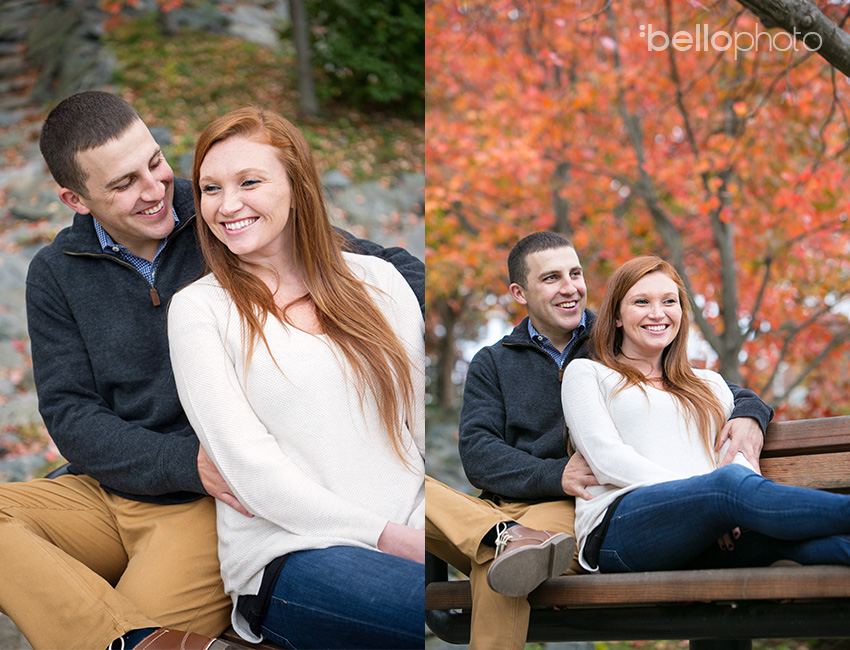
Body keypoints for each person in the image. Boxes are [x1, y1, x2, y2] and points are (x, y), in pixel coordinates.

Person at [5, 91, 423, 650]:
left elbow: (363, 265)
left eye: (154, 162)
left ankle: (123, 637)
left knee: (140, 616)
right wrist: (185, 461)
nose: (155, 192)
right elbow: (69, 413)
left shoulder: (223, 215)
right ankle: (124, 640)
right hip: (120, 488)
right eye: (123, 183)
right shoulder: (57, 272)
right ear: (75, 199)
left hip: (208, 506)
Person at [425, 232, 774, 650]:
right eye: (551, 278)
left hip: (566, 512)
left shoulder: (613, 337)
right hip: (503, 505)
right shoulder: (494, 362)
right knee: (409, 486)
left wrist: (752, 413)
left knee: (501, 567)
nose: (570, 287)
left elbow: (703, 384)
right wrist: (555, 472)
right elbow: (479, 454)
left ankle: (504, 540)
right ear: (519, 292)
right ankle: (502, 533)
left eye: (575, 273)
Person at [166, 107, 424, 650]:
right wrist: (388, 537)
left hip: (412, 533)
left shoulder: (380, 282)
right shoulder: (199, 311)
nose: (226, 205)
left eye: (249, 182)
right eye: (210, 188)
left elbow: (415, 432)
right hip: (289, 555)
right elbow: (251, 472)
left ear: (297, 185)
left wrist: (425, 530)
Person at [562, 255, 850, 575]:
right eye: (641, 302)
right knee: (725, 486)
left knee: (807, 544)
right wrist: (705, 500)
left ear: (681, 312)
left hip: (713, 529)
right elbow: (606, 459)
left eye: (669, 301)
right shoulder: (587, 374)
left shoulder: (709, 383)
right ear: (616, 315)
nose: (657, 313)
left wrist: (714, 508)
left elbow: (734, 456)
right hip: (623, 530)